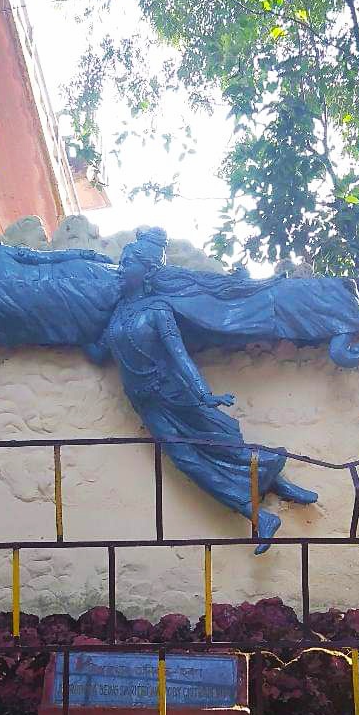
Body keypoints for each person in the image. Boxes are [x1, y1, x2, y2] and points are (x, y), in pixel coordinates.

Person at [85, 228, 317, 553]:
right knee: (188, 461)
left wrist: (204, 394)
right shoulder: (117, 313)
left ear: (148, 271)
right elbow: (98, 352)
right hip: (147, 404)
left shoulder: (158, 311)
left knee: (225, 446)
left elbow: (180, 357)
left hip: (177, 393)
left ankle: (275, 481)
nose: (122, 267)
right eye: (122, 262)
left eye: (129, 263)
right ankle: (260, 513)